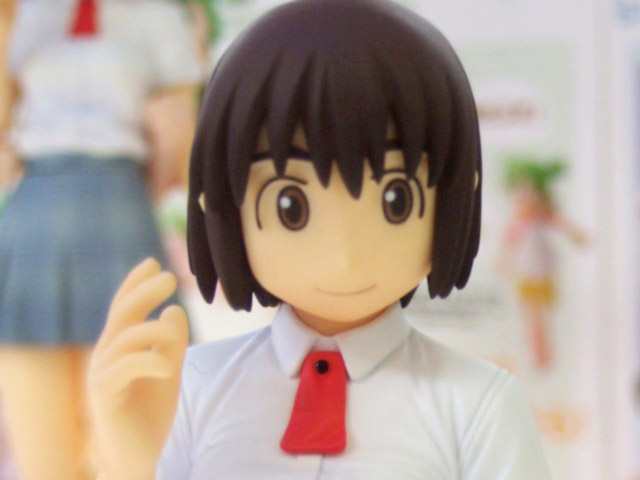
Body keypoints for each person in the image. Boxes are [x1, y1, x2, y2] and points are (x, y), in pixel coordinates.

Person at [88, 0, 553, 478]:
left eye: (395, 200)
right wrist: (129, 460)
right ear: (222, 201)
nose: (344, 256)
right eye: (290, 206)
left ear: (455, 195)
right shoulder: (191, 387)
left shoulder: (477, 403)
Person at [0, 1, 201, 479]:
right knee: (38, 424)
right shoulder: (24, 14)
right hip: (37, 203)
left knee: (126, 403)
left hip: (119, 201)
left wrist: (162, 165)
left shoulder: (156, 16)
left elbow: (182, 134)